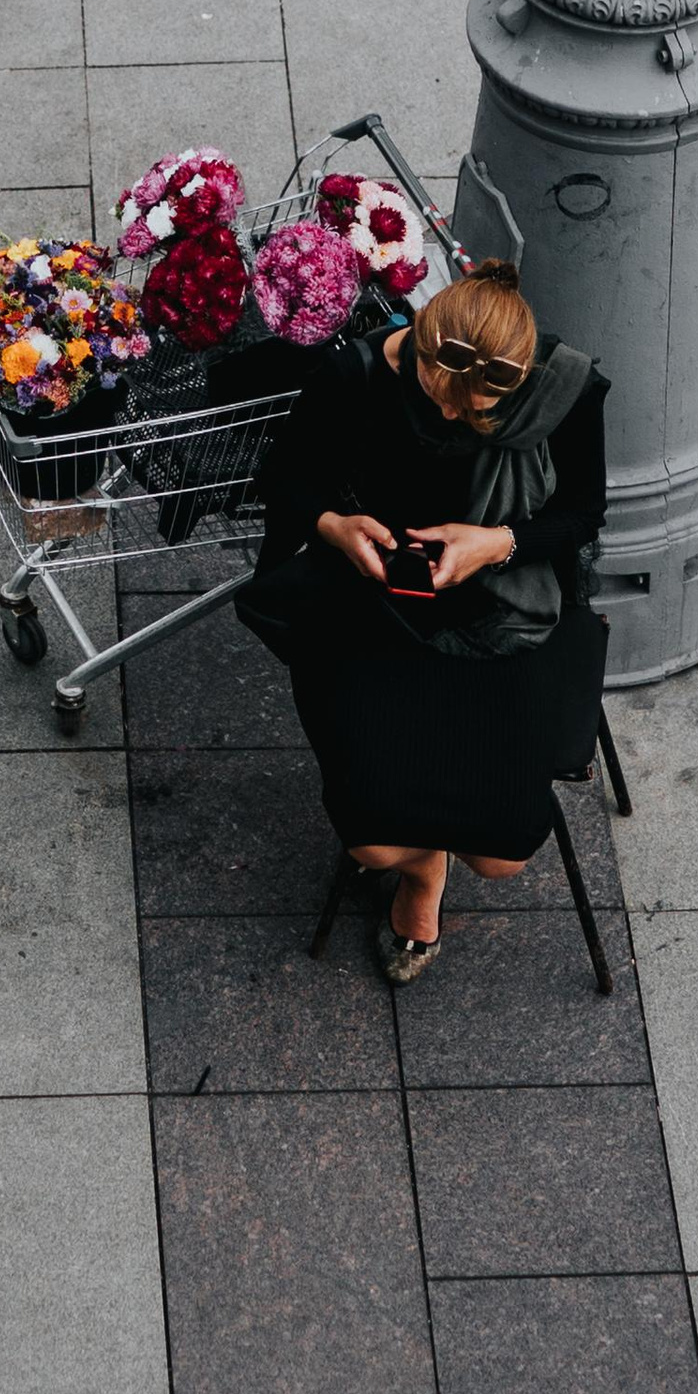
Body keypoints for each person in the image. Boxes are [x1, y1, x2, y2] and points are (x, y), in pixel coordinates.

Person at [239, 266, 610, 981]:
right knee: (374, 844)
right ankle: (421, 875)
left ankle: (431, 853)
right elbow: (284, 475)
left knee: (502, 857)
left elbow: (582, 516)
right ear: (421, 349)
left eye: (480, 408)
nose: (450, 415)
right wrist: (334, 525)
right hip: (371, 605)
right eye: (442, 391)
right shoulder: (355, 375)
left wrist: (495, 543)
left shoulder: (565, 392)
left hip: (508, 610)